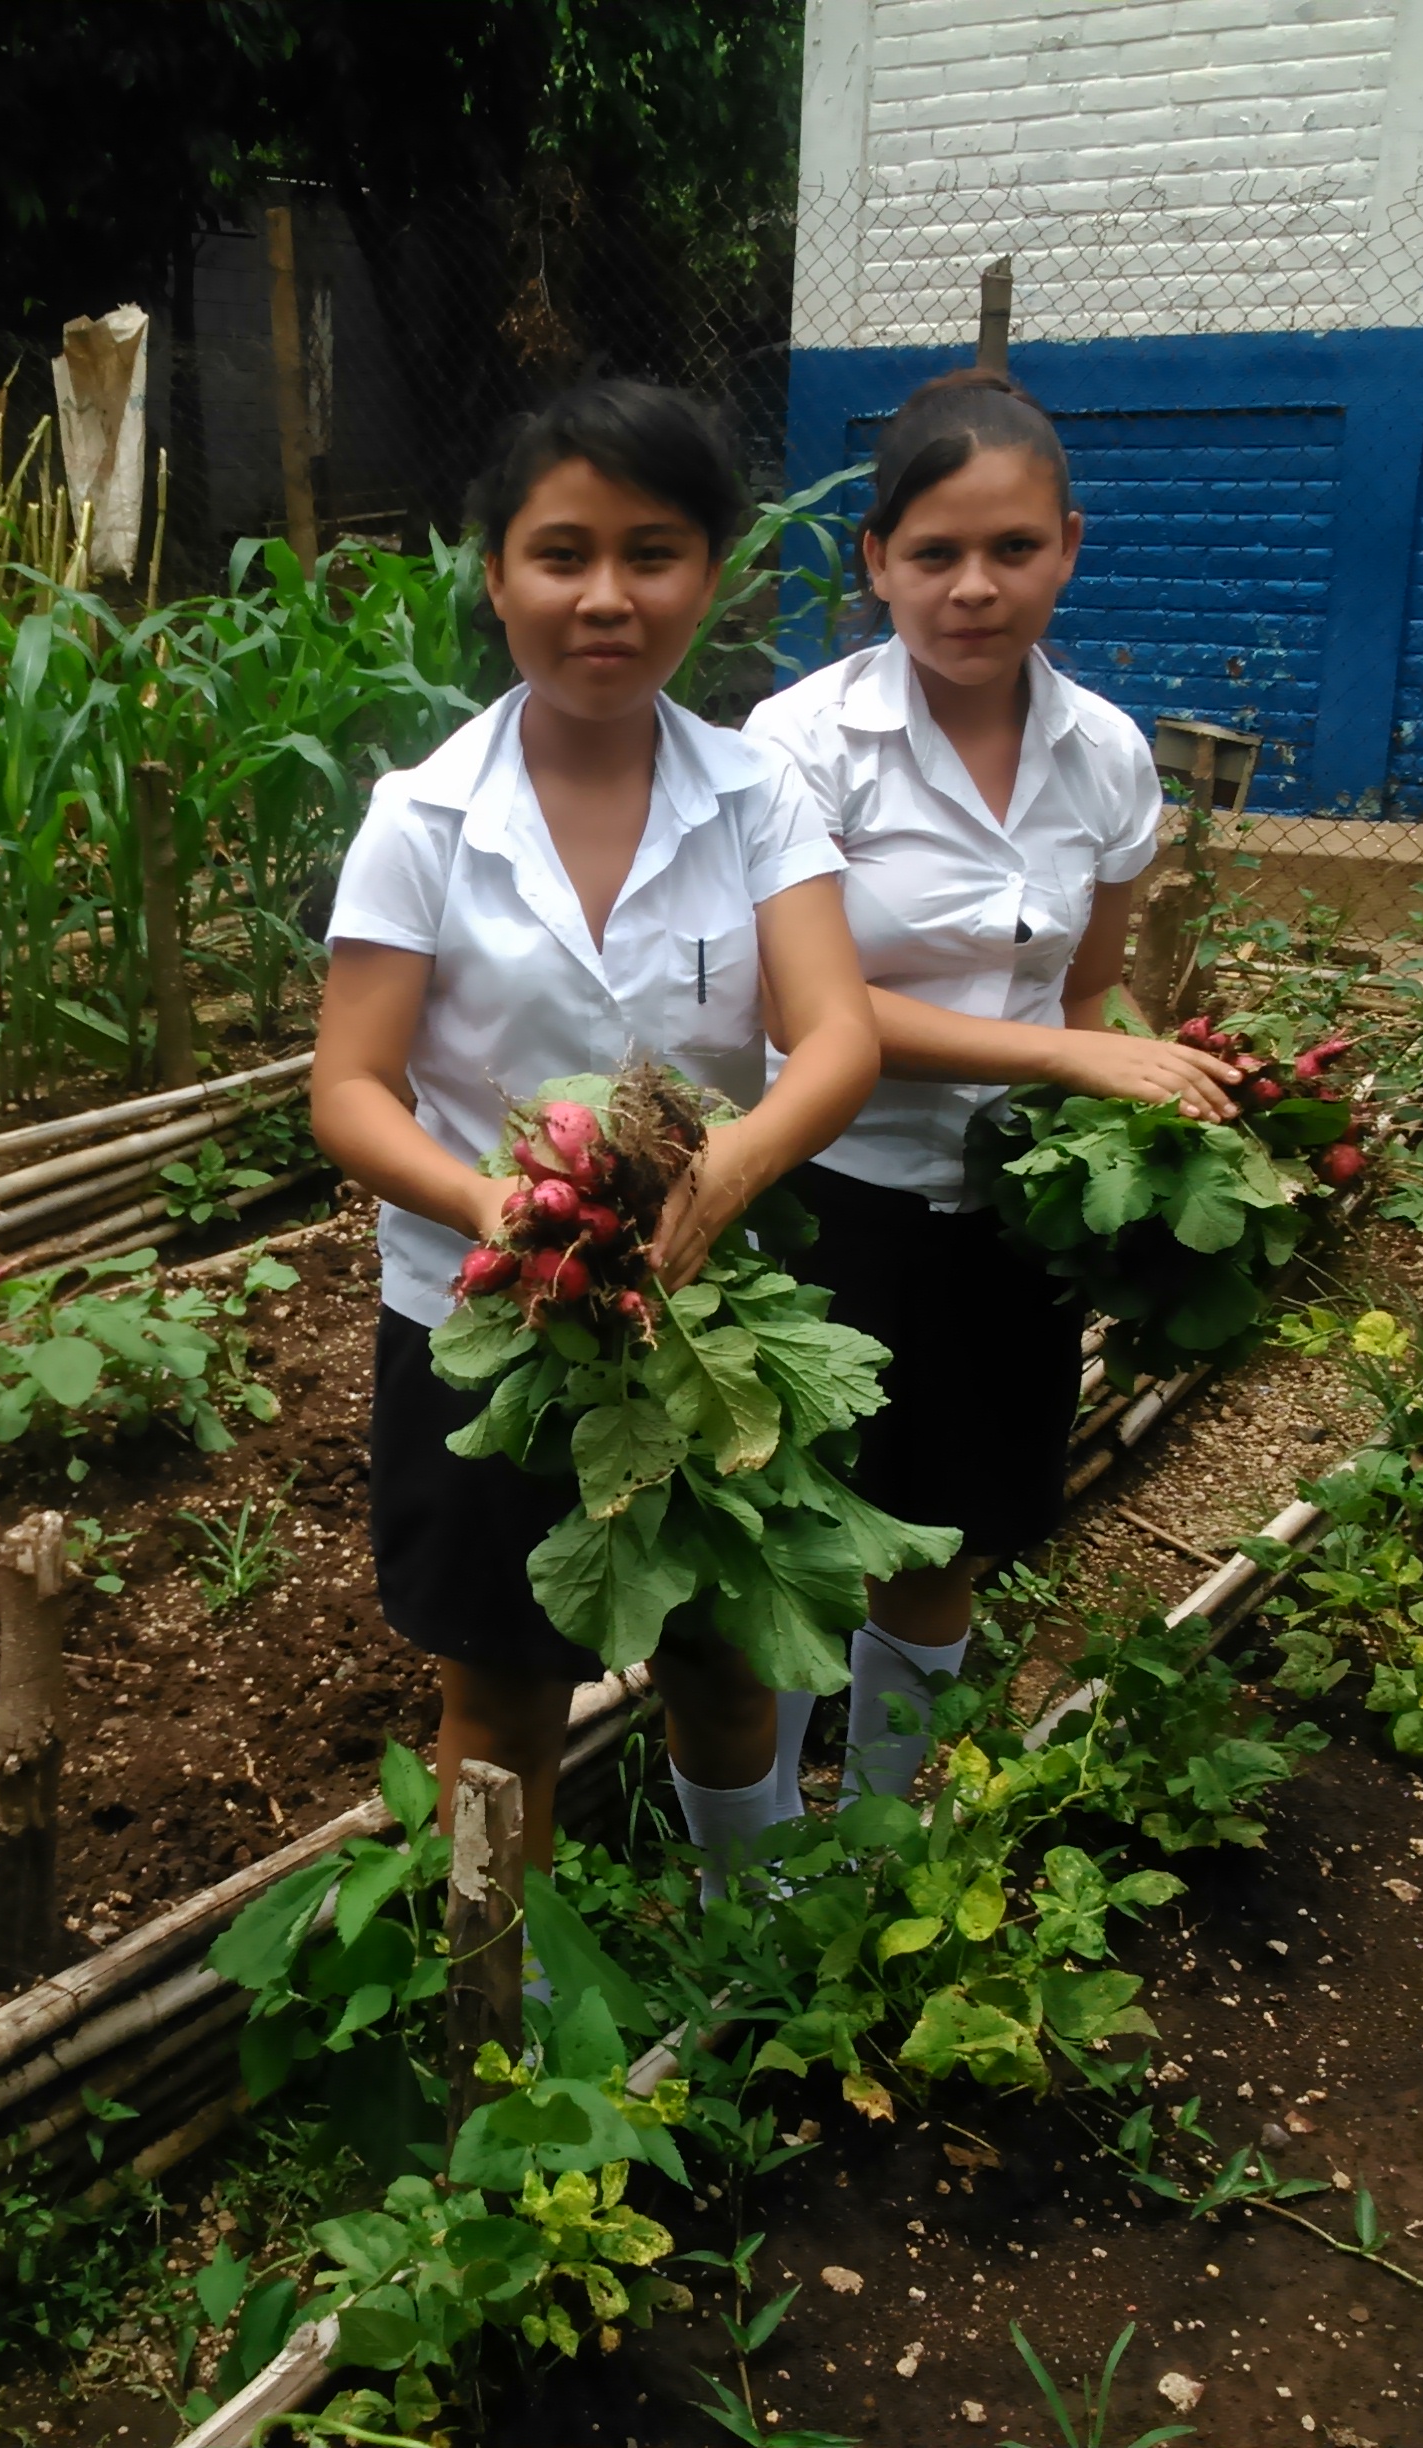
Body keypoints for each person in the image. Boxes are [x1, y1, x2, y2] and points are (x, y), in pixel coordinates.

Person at [311, 379, 882, 1889]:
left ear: (712, 572)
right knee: (500, 1681)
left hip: (703, 1313)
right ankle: (507, 2009)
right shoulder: (421, 816)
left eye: (655, 552)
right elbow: (350, 1091)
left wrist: (738, 1164)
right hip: (480, 1319)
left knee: (725, 1646)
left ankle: (749, 1927)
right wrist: (489, 1206)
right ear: (493, 573)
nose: (606, 598)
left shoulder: (761, 797)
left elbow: (840, 1036)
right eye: (561, 555)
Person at [743, 369, 1241, 1802]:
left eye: (1013, 550)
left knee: (956, 1527)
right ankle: (768, 1858)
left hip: (1012, 1204)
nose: (975, 587)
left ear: (1069, 547)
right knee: (803, 1526)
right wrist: (1072, 1055)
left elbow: (1088, 982)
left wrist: (1113, 1121)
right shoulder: (803, 745)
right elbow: (802, 1004)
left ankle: (891, 1822)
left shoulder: (1108, 757)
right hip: (829, 1186)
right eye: (936, 554)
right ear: (875, 562)